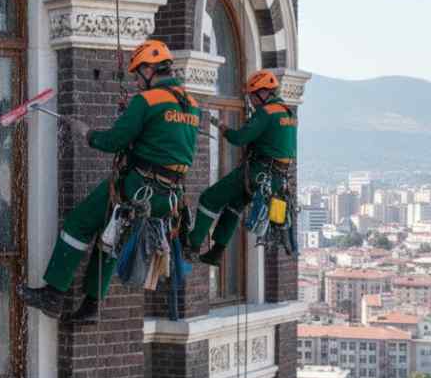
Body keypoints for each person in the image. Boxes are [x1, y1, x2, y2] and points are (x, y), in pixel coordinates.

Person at [18, 40, 201, 324]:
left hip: (137, 186)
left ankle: (53, 294)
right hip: (168, 196)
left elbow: (115, 141)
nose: (137, 82)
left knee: (78, 223)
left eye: (138, 75)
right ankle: (90, 307)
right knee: (110, 240)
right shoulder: (191, 104)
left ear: (150, 69)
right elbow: (166, 140)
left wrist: (87, 133)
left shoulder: (147, 101)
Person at [187, 69, 296, 263]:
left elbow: (239, 138)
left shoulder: (266, 112)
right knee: (234, 205)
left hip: (258, 172)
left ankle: (193, 244)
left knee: (209, 198)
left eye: (252, 97)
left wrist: (223, 127)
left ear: (263, 93)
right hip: (277, 179)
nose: (252, 102)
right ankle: (216, 251)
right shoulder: (288, 113)